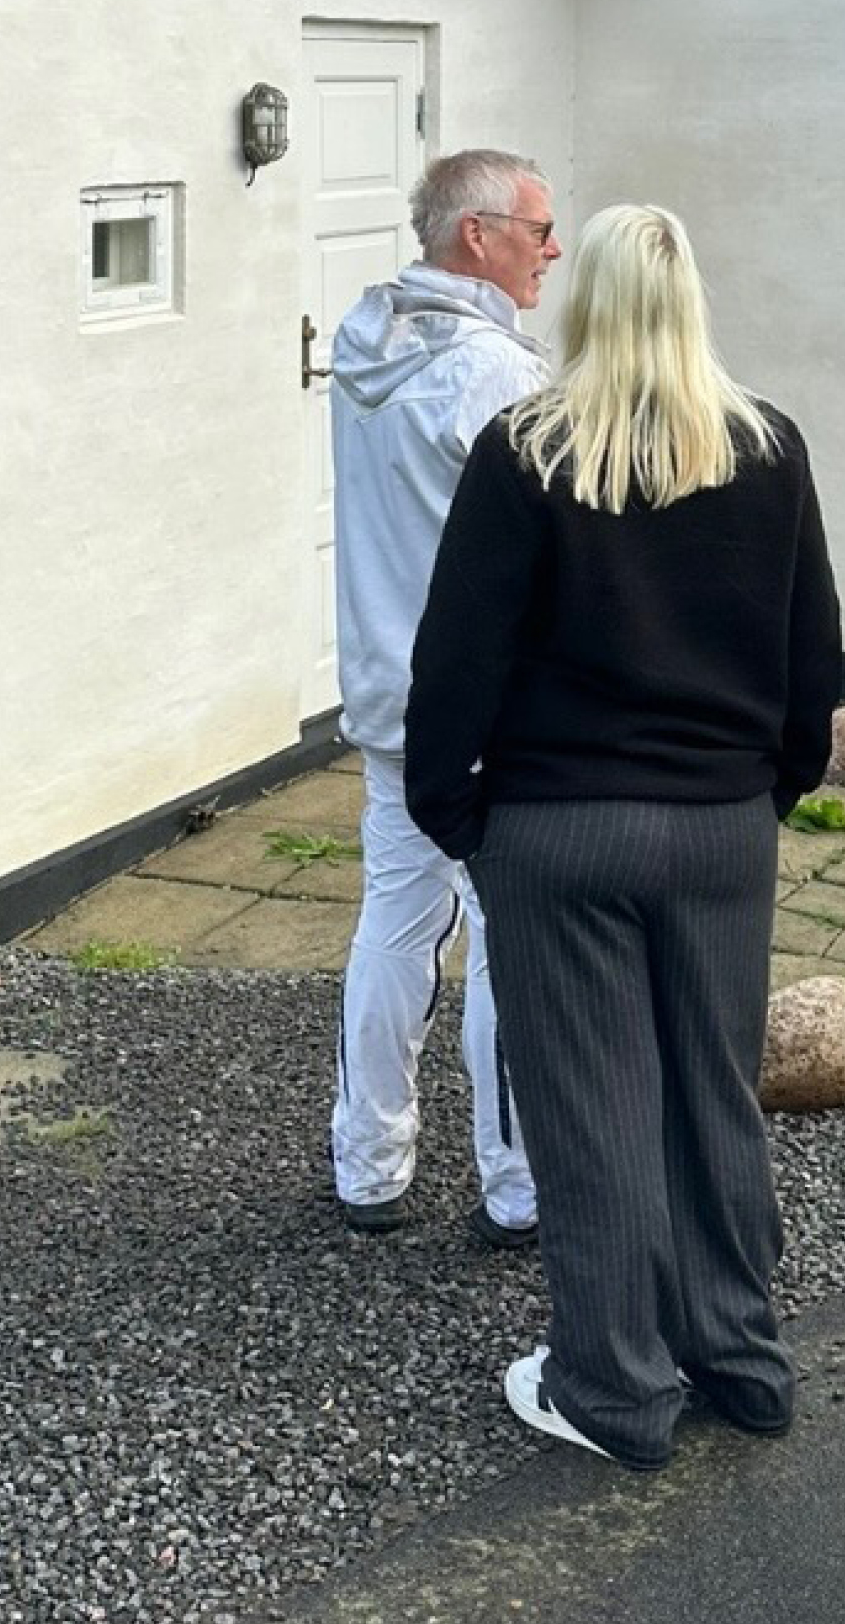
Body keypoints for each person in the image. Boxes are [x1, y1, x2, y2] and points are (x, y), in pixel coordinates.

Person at [403, 204, 842, 1471]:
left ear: (585, 299)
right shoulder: (769, 448)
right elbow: (811, 651)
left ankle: (616, 1388)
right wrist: (773, 788)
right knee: (715, 1097)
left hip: (558, 832)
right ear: (690, 298)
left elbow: (456, 658)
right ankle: (742, 1358)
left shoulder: (525, 449)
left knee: (592, 1111)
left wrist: (457, 817)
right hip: (719, 830)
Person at [328, 147, 562, 1245]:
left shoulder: (362, 340)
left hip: (386, 692)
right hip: (486, 706)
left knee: (395, 921)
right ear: (478, 236)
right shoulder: (493, 376)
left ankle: (367, 1167)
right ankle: (518, 1188)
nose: (552, 252)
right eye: (538, 230)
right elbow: (555, 544)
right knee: (509, 940)